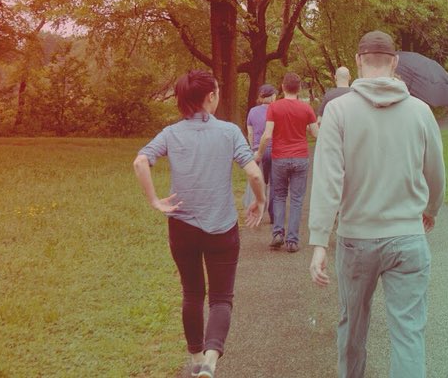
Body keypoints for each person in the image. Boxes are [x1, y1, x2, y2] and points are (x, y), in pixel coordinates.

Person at [308, 30, 446, 378]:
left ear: (358, 60)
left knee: (352, 327)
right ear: (394, 63)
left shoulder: (338, 112)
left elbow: (328, 179)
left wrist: (319, 240)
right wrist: (431, 209)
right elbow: (436, 173)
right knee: (408, 334)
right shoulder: (421, 112)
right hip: (407, 239)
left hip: (357, 238)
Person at [133, 70, 266, 378]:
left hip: (182, 227)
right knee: (221, 298)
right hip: (222, 227)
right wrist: (259, 201)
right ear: (210, 97)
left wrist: (155, 200)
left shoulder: (171, 133)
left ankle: (195, 360)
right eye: (217, 92)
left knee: (192, 293)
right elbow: (254, 174)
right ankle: (210, 362)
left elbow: (141, 161)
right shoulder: (229, 132)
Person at [257, 72, 319, 253]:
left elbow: (267, 134)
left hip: (280, 158)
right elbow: (316, 134)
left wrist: (259, 153)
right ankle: (292, 240)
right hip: (300, 158)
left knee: (279, 196)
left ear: (283, 87)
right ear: (299, 89)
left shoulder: (274, 107)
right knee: (297, 199)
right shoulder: (306, 108)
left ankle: (277, 233)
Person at [245, 83, 277, 221]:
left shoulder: (252, 111)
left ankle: (257, 208)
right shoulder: (276, 109)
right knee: (275, 182)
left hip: (258, 151)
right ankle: (273, 213)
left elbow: (250, 133)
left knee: (259, 181)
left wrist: (253, 149)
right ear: (272, 96)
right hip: (275, 150)